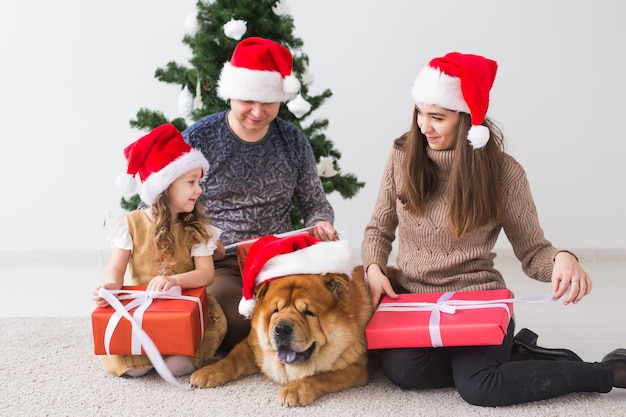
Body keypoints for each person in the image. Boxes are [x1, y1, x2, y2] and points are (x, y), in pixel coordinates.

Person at [361, 52, 626, 407]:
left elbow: (533, 252)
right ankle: (514, 352)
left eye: (437, 117)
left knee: (479, 387)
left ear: (466, 117)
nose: (424, 126)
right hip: (417, 301)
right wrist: (374, 269)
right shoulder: (402, 156)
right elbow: (378, 228)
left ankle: (608, 371)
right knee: (405, 371)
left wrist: (562, 258)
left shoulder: (504, 174)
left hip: (477, 302)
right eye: (420, 113)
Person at [182, 37, 338, 351]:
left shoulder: (292, 140)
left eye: (268, 101)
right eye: (247, 101)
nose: (257, 111)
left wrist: (322, 223)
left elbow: (314, 202)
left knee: (317, 310)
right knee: (238, 320)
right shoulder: (200, 137)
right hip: (221, 262)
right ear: (231, 94)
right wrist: (199, 240)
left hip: (278, 260)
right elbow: (158, 205)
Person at [93, 123, 227, 378]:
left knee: (176, 365)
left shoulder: (197, 228)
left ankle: (175, 351)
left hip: (185, 308)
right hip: (146, 312)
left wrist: (174, 280)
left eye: (198, 181)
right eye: (191, 182)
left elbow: (206, 274)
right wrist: (110, 286)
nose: (199, 189)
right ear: (165, 187)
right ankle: (154, 350)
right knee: (136, 368)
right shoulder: (130, 224)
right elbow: (116, 267)